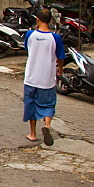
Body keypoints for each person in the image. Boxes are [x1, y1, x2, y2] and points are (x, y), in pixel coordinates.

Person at [22, 8, 66, 145]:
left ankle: (33, 133)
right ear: (51, 21)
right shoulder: (55, 38)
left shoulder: (30, 35)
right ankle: (46, 126)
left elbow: (27, 49)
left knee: (31, 104)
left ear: (37, 20)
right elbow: (60, 57)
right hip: (47, 78)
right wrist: (60, 68)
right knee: (48, 104)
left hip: (31, 77)